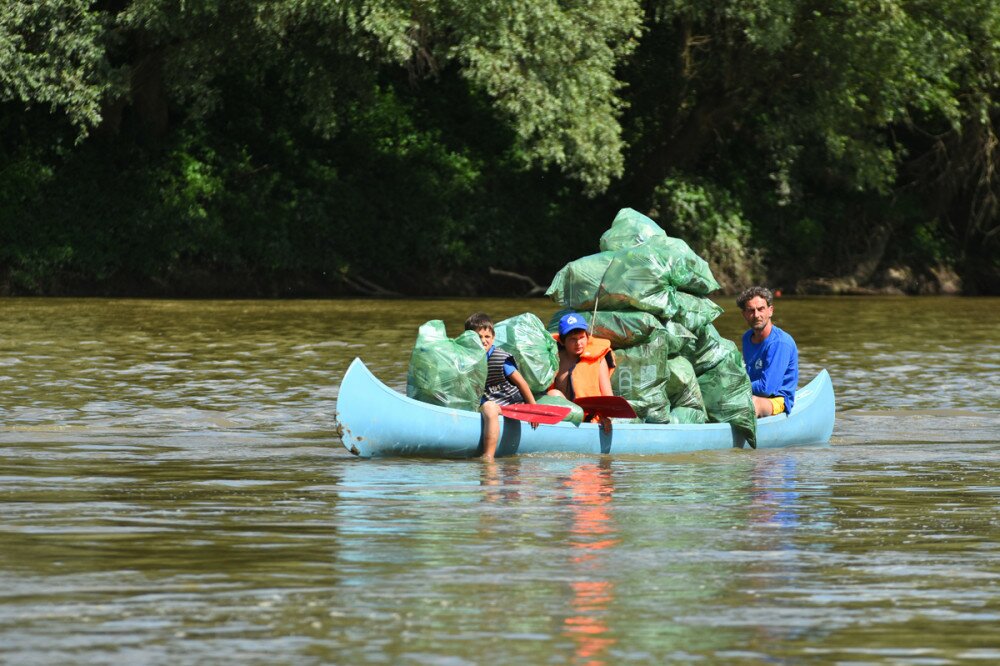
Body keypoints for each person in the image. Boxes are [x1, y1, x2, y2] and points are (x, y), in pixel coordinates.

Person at [464, 312, 537, 462]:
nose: (483, 341)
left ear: (493, 337)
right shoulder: (467, 359)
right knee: (487, 406)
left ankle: (488, 456)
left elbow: (521, 383)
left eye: (487, 337)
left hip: (509, 403)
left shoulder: (500, 358)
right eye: (478, 337)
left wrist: (533, 409)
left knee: (490, 407)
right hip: (487, 400)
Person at [737, 286, 799, 418]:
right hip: (751, 394)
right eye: (751, 311)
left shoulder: (780, 343)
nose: (756, 315)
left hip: (777, 399)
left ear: (770, 311)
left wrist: (736, 386)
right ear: (744, 314)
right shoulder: (747, 338)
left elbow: (766, 388)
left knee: (753, 404)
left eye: (761, 309)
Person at [548, 312, 615, 432]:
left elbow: (607, 393)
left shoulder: (598, 359)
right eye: (572, 339)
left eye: (581, 337)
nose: (578, 343)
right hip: (563, 418)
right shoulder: (553, 359)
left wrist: (607, 417)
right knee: (553, 394)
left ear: (587, 337)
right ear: (562, 342)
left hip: (589, 419)